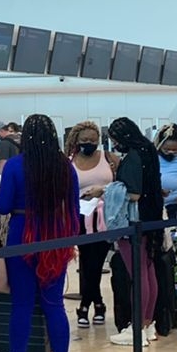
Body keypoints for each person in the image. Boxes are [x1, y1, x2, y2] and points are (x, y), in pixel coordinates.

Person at [0, 115, 79, 352]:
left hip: (22, 234)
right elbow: (74, 207)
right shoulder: (65, 166)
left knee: (22, 303)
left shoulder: (16, 166)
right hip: (55, 235)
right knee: (54, 303)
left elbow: (3, 206)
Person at [106, 117, 166, 346]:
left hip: (132, 221)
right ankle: (148, 323)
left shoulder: (132, 157)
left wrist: (107, 191)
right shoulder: (149, 151)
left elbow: (133, 194)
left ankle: (137, 327)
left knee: (138, 275)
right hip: (151, 219)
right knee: (148, 271)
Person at [68, 120, 114, 328]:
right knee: (86, 260)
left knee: (96, 261)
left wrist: (103, 191)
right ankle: (96, 302)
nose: (89, 143)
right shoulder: (69, 161)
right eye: (85, 140)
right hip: (79, 217)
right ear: (77, 140)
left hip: (105, 216)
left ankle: (87, 304)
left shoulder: (109, 158)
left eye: (93, 140)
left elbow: (121, 184)